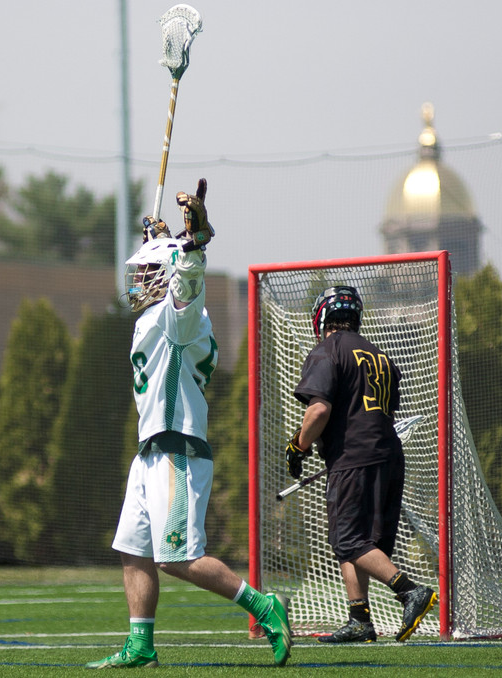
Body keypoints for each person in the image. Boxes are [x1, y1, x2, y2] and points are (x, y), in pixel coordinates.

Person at [87, 179, 292, 669]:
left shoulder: (181, 318)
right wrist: (163, 243)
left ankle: (263, 606)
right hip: (150, 451)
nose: (138, 282)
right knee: (134, 550)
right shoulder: (157, 316)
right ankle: (141, 645)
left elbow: (187, 287)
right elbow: (173, 286)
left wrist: (192, 246)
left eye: (146, 272)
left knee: (176, 557)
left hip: (177, 448)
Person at [285, 285, 437, 643]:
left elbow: (319, 409)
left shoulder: (328, 348)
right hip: (388, 456)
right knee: (360, 541)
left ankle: (409, 590)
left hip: (354, 458)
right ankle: (359, 619)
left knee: (348, 539)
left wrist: (298, 446)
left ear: (322, 318)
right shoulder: (380, 355)